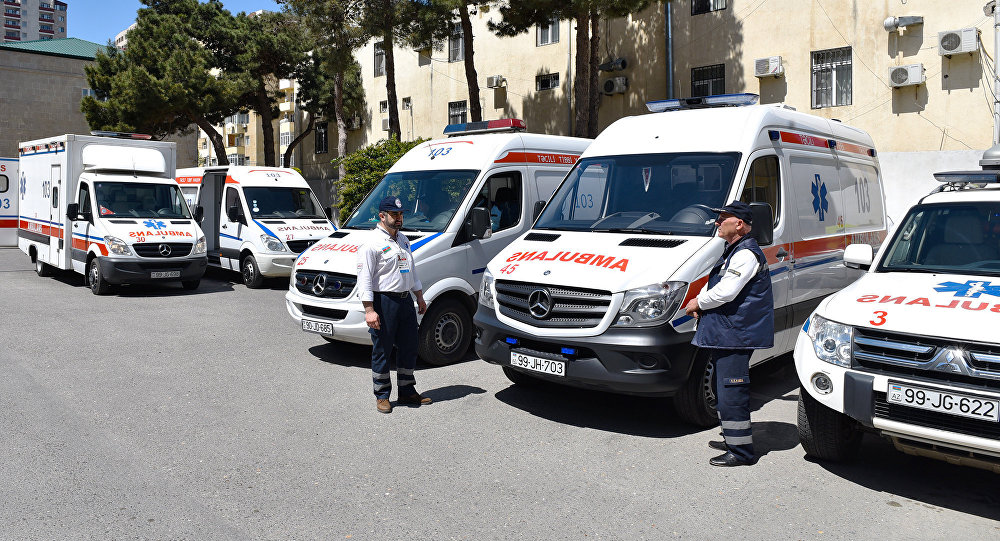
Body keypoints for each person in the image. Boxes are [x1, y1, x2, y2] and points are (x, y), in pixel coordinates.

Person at [683, 201, 774, 467]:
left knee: (732, 391)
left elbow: (726, 292)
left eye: (723, 218)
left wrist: (699, 303)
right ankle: (733, 439)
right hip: (729, 332)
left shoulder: (745, 253)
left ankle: (741, 452)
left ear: (740, 225)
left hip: (736, 335)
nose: (716, 222)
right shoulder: (734, 250)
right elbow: (720, 285)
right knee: (724, 389)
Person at [357, 196, 431, 414]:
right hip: (384, 302)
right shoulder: (372, 244)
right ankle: (382, 395)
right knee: (382, 349)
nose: (399, 218)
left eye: (400, 214)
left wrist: (419, 296)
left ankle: (407, 391)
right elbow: (365, 279)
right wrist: (369, 310)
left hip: (404, 301)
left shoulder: (403, 240)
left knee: (409, 346)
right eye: (394, 215)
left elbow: (412, 271)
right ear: (382, 216)